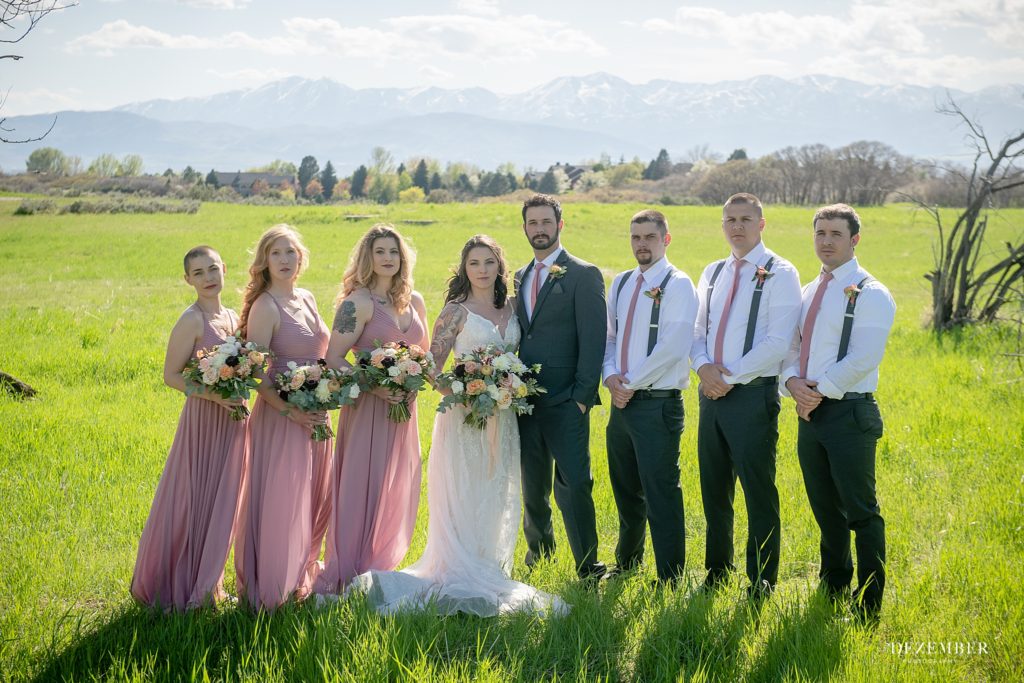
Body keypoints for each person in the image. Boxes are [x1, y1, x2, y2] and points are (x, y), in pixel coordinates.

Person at [345, 235, 566, 616]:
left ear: (499, 267)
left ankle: (489, 565)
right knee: (467, 490)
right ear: (464, 269)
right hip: (464, 418)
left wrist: (506, 389)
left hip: (504, 417)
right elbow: (431, 364)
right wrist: (465, 390)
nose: (481, 270)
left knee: (497, 491)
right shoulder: (455, 311)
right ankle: (461, 568)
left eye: (488, 263)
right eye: (474, 264)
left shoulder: (513, 307)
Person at [782, 203, 895, 621]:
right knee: (826, 509)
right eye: (820, 233)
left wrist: (818, 393)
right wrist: (792, 384)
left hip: (849, 412)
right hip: (810, 413)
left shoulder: (871, 292)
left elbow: (865, 356)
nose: (826, 241)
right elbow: (794, 349)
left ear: (854, 240)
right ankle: (833, 587)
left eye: (835, 234)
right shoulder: (811, 290)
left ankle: (868, 605)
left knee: (861, 512)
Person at [691, 193, 802, 598]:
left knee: (758, 490)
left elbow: (778, 342)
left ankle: (762, 580)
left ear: (761, 223)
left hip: (752, 395)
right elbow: (697, 329)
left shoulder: (780, 271)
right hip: (710, 393)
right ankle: (717, 571)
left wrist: (730, 378)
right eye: (729, 219)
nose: (736, 226)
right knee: (714, 489)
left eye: (745, 219)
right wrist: (702, 368)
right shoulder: (713, 271)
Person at [131, 246, 248, 610]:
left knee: (224, 501)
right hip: (204, 419)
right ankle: (184, 583)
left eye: (213, 268)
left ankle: (210, 580)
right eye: (198, 273)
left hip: (235, 420)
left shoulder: (233, 316)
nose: (208, 277)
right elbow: (171, 375)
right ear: (187, 280)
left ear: (225, 269)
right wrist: (214, 396)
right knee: (196, 499)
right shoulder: (192, 320)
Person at [314, 224, 428, 594]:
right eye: (380, 252)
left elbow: (423, 358)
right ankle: (349, 571)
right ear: (368, 257)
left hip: (403, 413)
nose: (388, 259)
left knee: (396, 488)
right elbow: (334, 357)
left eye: (394, 252)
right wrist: (377, 386)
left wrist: (411, 381)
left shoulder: (416, 302)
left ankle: (381, 567)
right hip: (368, 410)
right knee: (361, 487)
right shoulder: (357, 303)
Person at [234, 225, 333, 610]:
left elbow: (319, 355)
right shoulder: (265, 306)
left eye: (291, 252)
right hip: (281, 418)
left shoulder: (306, 297)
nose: (286, 260)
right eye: (277, 253)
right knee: (282, 502)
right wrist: (292, 410)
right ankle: (271, 588)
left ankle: (299, 578)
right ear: (264, 261)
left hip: (316, 414)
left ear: (301, 257)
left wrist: (328, 391)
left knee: (313, 498)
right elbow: (256, 374)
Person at [514, 193, 607, 582]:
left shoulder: (583, 274)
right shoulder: (518, 277)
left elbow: (594, 339)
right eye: (532, 223)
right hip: (523, 402)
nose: (539, 229)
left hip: (567, 401)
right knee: (533, 486)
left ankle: (588, 566)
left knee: (574, 485)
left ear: (559, 225)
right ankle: (540, 554)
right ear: (525, 228)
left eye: (545, 222)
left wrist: (582, 399)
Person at [602, 210, 699, 585]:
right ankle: (627, 562)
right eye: (635, 237)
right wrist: (610, 376)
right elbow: (609, 338)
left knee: (660, 491)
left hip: (657, 403)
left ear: (666, 240)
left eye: (649, 238)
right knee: (625, 488)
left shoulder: (678, 284)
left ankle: (670, 575)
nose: (642, 244)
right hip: (621, 402)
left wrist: (631, 383)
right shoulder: (623, 282)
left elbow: (674, 346)